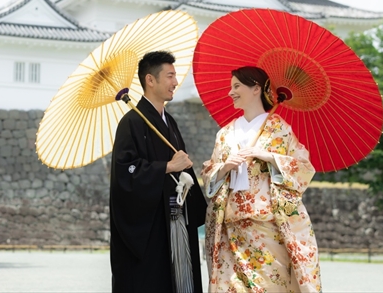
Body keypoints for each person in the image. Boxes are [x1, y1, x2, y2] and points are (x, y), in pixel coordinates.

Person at [202, 66, 321, 293]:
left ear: (256, 88)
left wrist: (270, 157)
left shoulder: (279, 130)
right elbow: (208, 173)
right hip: (230, 227)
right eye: (231, 87)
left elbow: (304, 168)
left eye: (237, 86)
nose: (231, 92)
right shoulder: (225, 133)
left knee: (268, 287)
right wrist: (225, 166)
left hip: (267, 226)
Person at [110, 51, 206, 293]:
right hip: (151, 228)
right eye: (170, 76)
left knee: (181, 280)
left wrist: (184, 168)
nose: (175, 82)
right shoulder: (131, 123)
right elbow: (124, 174)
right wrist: (167, 166)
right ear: (150, 80)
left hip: (176, 216)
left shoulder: (169, 122)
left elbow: (180, 166)